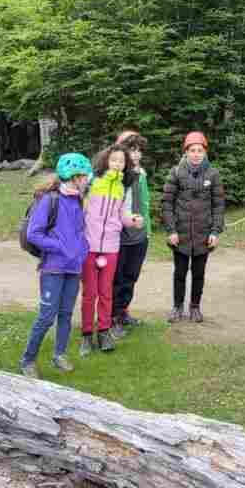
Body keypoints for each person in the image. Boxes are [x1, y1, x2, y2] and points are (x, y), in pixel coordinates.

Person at [19, 153, 93, 377]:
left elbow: (78, 232)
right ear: (73, 176)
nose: (87, 180)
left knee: (66, 314)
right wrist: (61, 247)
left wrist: (82, 250)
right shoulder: (50, 200)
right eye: (83, 176)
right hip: (53, 268)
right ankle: (28, 360)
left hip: (73, 268)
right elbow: (34, 234)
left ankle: (59, 354)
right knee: (46, 316)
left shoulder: (76, 198)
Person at [161, 131, 225, 323]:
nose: (196, 154)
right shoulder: (176, 172)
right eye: (192, 150)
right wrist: (171, 230)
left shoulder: (213, 174)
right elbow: (166, 203)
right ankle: (177, 307)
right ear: (186, 152)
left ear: (205, 152)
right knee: (179, 273)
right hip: (179, 235)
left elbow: (218, 205)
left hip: (203, 235)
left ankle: (195, 307)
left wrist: (215, 231)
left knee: (199, 274)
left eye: (200, 150)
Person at [80, 143, 137, 355]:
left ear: (125, 165)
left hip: (111, 246)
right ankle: (86, 335)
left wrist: (132, 220)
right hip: (89, 245)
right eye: (114, 160)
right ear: (106, 161)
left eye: (121, 161)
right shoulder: (93, 181)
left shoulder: (123, 188)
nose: (117, 164)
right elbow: (80, 205)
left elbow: (122, 216)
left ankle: (103, 332)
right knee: (90, 293)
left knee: (106, 292)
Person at [111, 131, 151, 337]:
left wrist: (147, 232)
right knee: (116, 281)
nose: (136, 155)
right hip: (118, 239)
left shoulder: (141, 174)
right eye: (131, 150)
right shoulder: (114, 177)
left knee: (131, 278)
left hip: (139, 237)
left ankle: (123, 312)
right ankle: (112, 318)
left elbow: (144, 205)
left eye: (138, 150)